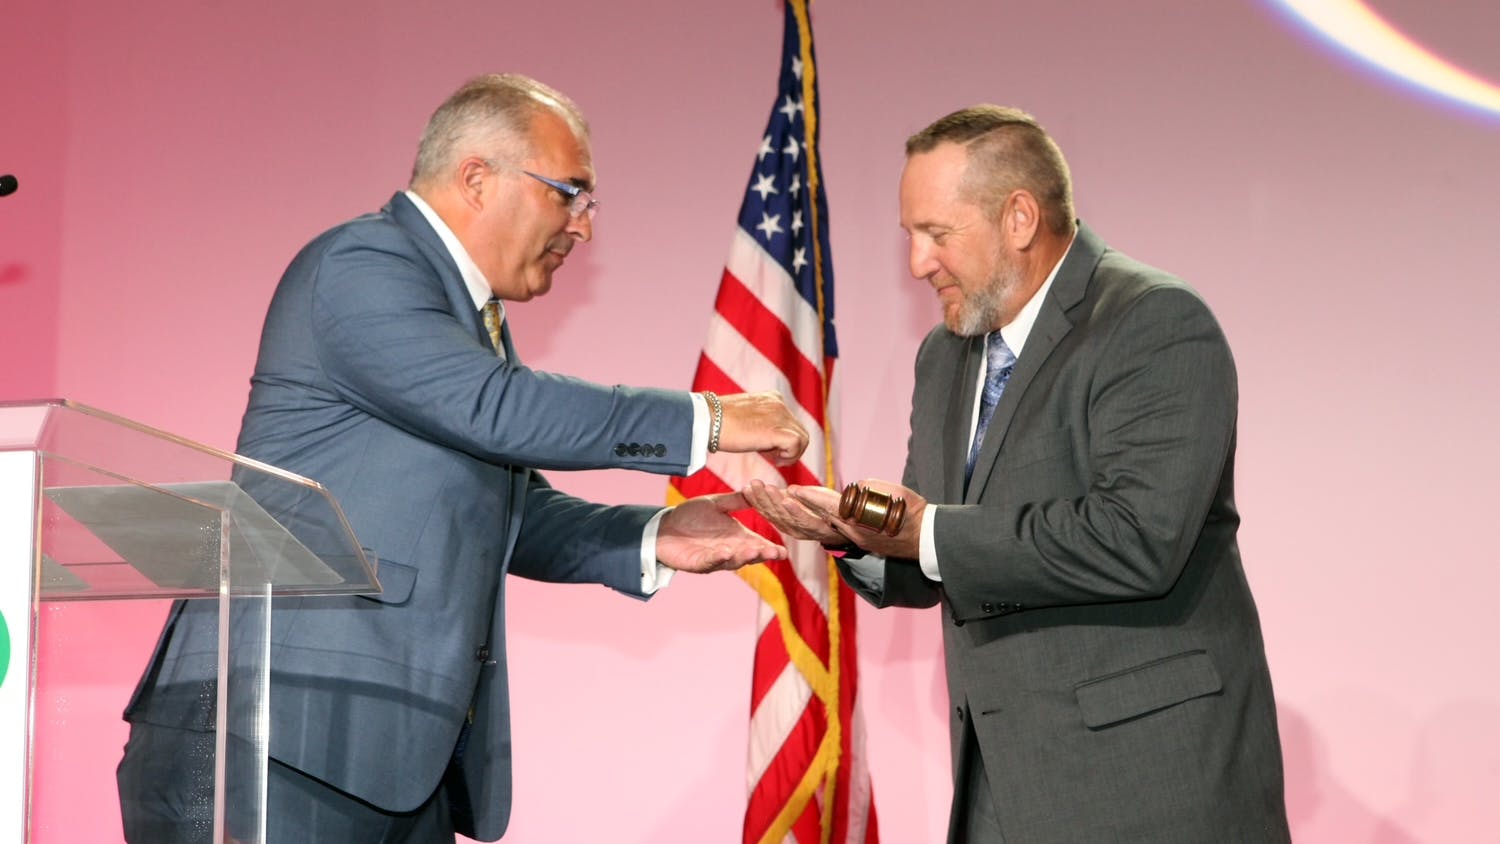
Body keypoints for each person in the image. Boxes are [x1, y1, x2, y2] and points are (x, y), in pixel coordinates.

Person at [116, 73, 809, 844]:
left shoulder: (469, 318)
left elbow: (506, 504)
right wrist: (708, 419)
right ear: (476, 178)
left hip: (396, 761)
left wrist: (654, 536)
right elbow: (496, 407)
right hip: (276, 737)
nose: (583, 228)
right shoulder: (363, 263)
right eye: (568, 194)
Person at [746, 105, 1290, 843]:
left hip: (1151, 790)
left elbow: (1135, 540)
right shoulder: (946, 356)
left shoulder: (1153, 322)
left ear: (1020, 219)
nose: (918, 264)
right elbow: (940, 555)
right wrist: (855, 535)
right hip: (1000, 789)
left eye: (937, 234)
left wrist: (924, 530)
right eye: (910, 236)